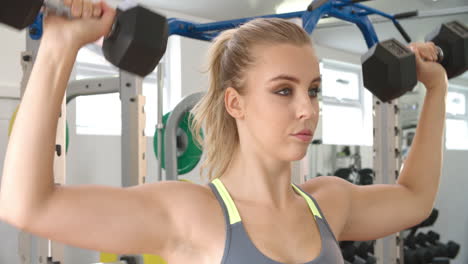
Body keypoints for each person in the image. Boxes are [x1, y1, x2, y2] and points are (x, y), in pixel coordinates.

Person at [0, 0, 447, 263]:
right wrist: (60, 47)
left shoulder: (327, 202)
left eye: (313, 90)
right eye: (283, 91)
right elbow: (27, 206)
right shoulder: (191, 215)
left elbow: (415, 198)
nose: (306, 108)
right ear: (236, 103)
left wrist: (438, 90)